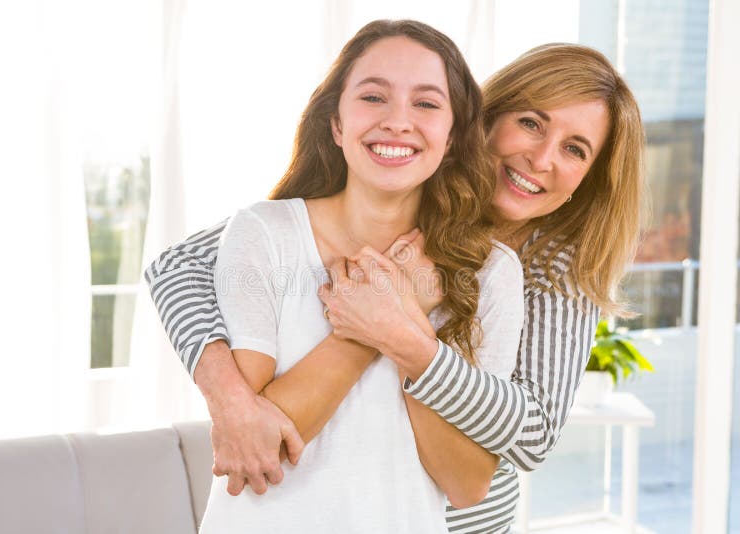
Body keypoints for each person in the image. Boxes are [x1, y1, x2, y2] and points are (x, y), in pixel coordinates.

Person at [145, 36, 645, 534]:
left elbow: (530, 437)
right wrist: (229, 398)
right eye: (531, 123)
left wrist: (402, 332)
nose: (541, 159)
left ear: (590, 179)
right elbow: (177, 266)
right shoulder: (386, 191)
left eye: (574, 150)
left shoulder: (550, 269)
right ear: (481, 122)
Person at [183, 19, 524, 533]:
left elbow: (468, 484)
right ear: (336, 124)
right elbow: (259, 448)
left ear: (452, 138)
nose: (397, 121)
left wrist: (403, 331)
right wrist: (381, 322)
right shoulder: (265, 232)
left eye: (427, 104)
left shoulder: (491, 270)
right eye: (373, 97)